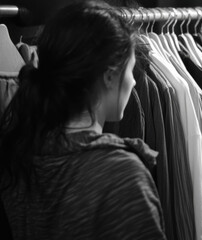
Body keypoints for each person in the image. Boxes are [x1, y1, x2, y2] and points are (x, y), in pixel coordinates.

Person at [0, 1, 166, 239]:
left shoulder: (19, 154)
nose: (134, 82)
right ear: (110, 76)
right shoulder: (120, 174)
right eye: (130, 70)